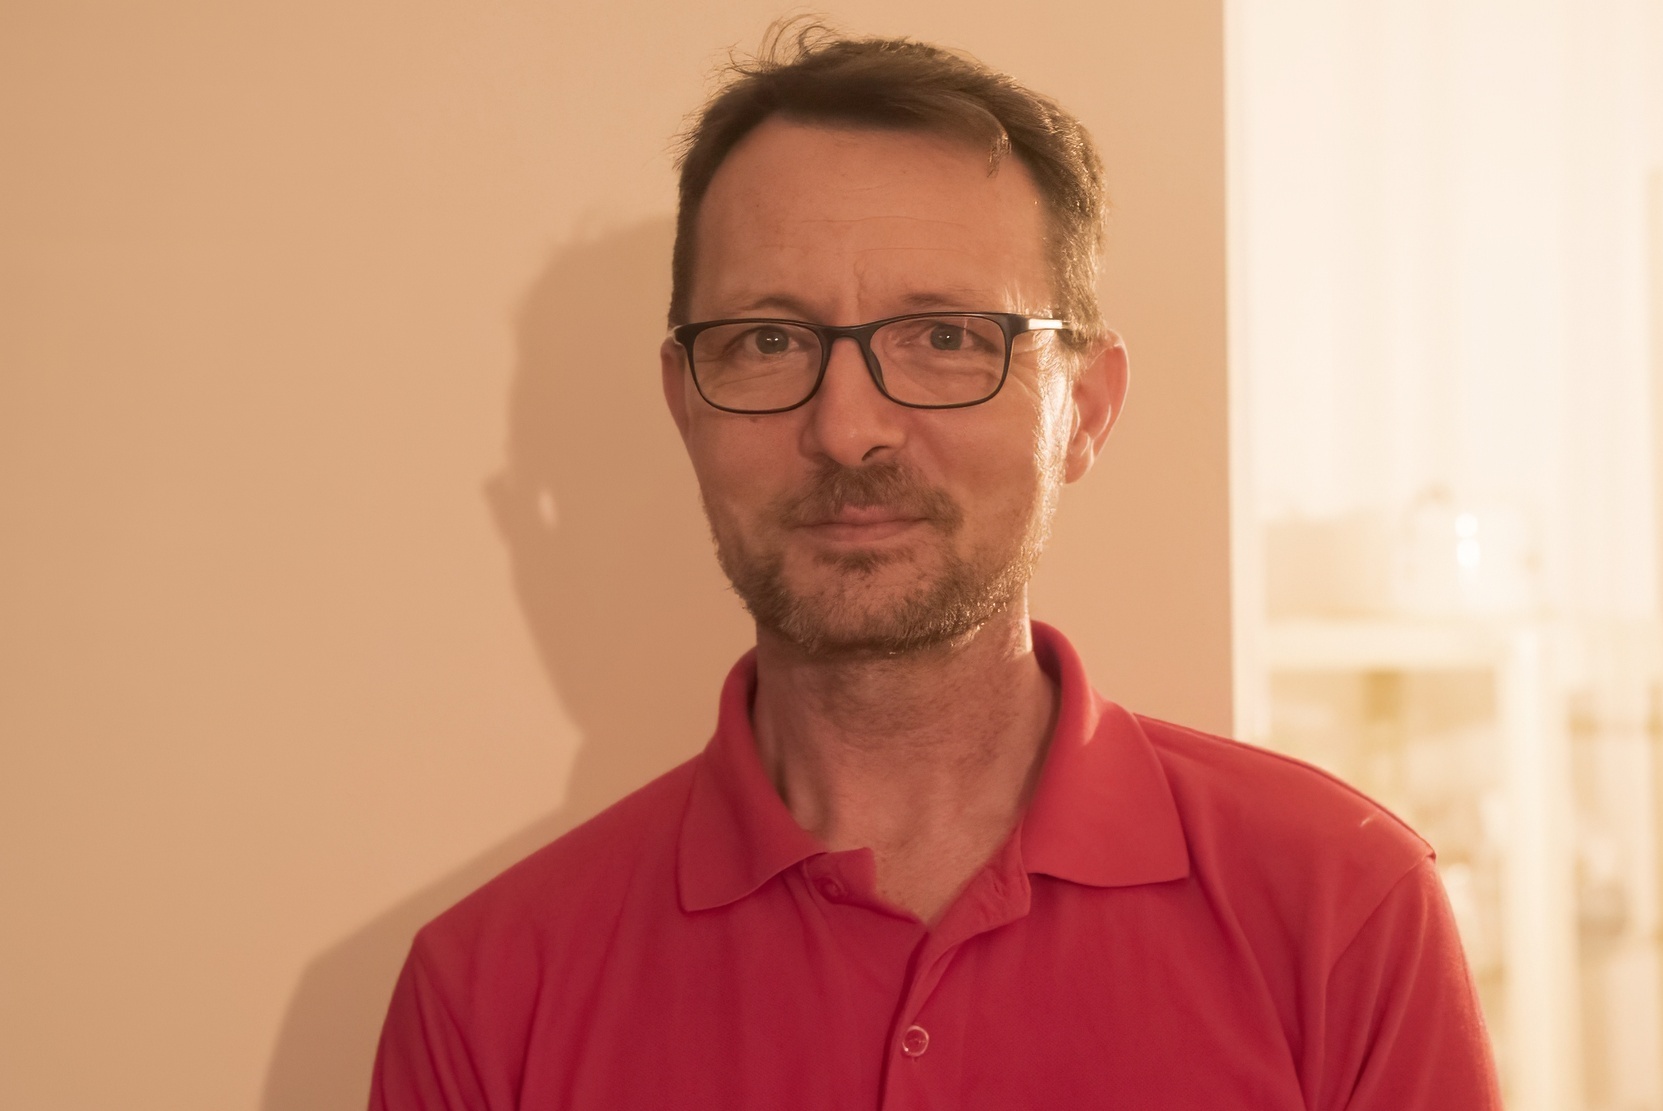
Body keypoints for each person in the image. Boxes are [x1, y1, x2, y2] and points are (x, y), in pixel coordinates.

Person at [370, 25, 1501, 1110]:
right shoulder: (489, 995)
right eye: (769, 340)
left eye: (947, 337)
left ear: (1083, 409)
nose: (847, 428)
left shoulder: (1341, 909)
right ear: (685, 406)